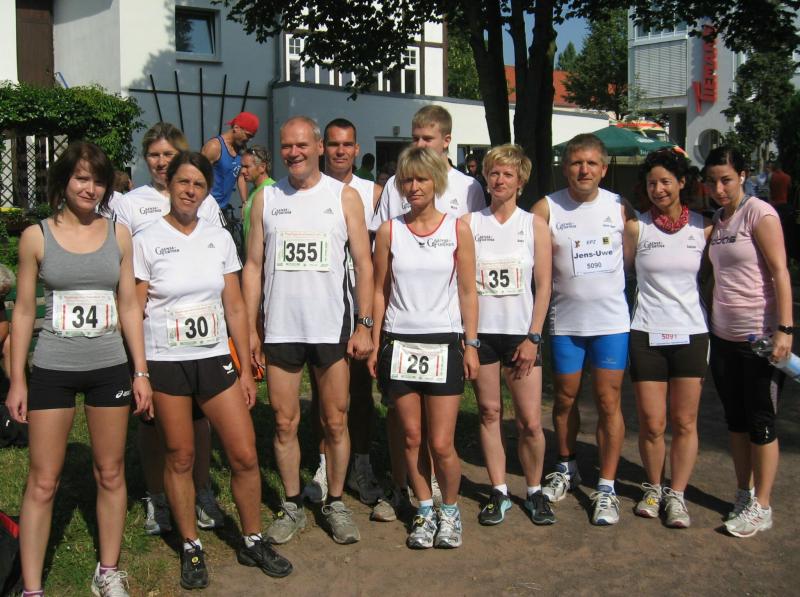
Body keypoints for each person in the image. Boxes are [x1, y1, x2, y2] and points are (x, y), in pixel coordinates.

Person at [133, 151, 292, 589]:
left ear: (207, 192)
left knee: (244, 454)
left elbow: (235, 305)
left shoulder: (218, 237)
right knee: (180, 457)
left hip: (214, 358)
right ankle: (190, 545)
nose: (190, 190)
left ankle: (252, 538)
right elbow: (134, 307)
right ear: (170, 185)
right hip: (167, 361)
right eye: (183, 182)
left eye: (199, 185)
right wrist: (140, 371)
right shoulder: (146, 239)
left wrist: (244, 368)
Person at [6, 141, 153, 597]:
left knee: (110, 472)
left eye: (99, 181)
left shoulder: (119, 235)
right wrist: (17, 380)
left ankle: (107, 571)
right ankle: (32, 588)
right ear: (64, 181)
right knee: (42, 481)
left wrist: (140, 372)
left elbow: (128, 305)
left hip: (109, 368)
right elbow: (24, 311)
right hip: (53, 367)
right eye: (82, 179)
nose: (90, 188)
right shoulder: (36, 237)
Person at [242, 116, 374, 545]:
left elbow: (365, 264)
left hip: (331, 329)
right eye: (286, 146)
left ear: (318, 147)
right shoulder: (267, 198)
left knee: (335, 420)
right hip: (281, 329)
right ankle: (293, 503)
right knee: (284, 422)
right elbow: (253, 267)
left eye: (301, 145)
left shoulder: (344, 197)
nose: (293, 153)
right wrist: (251, 329)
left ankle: (334, 502)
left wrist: (365, 324)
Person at [107, 122, 225, 538]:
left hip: (201, 332)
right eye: (154, 155)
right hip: (153, 329)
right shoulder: (130, 204)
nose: (160, 162)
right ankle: (156, 495)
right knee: (152, 419)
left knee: (200, 418)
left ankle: (202, 490)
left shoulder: (202, 198)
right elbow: (121, 260)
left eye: (168, 154)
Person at [370, 104, 484, 521]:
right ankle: (423, 508)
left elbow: (468, 291)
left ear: (436, 180)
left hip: (444, 342)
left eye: (421, 179)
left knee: (441, 443)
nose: (414, 187)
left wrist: (472, 344)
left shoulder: (458, 228)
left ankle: (449, 512)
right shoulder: (390, 230)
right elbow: (380, 290)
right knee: (411, 437)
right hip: (400, 342)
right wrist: (375, 341)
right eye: (407, 180)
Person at [532, 133, 633, 526]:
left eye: (591, 163)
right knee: (564, 400)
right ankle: (566, 464)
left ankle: (606, 486)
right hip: (566, 323)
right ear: (565, 167)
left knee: (609, 402)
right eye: (576, 162)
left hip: (610, 324)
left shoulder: (620, 207)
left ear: (604, 169)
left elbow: (630, 259)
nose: (584, 170)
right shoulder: (547, 208)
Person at [704, 146, 793, 538]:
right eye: (712, 182)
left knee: (761, 421)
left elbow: (780, 272)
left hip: (760, 338)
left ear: (742, 176)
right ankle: (744, 493)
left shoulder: (760, 213)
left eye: (726, 180)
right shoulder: (719, 220)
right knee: (736, 422)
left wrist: (785, 330)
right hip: (723, 336)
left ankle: (763, 506)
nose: (719, 189)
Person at [623, 149, 712, 528]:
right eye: (651, 183)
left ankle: (677, 494)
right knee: (652, 422)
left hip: (691, 334)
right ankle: (654, 487)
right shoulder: (637, 228)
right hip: (646, 333)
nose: (658, 189)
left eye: (665, 182)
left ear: (682, 183)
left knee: (685, 421)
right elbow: (624, 273)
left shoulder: (704, 228)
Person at [465, 144, 553, 526]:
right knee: (489, 413)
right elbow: (464, 286)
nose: (499, 180)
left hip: (521, 336)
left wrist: (534, 337)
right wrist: (469, 340)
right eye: (493, 173)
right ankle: (498, 490)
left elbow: (544, 285)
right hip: (483, 335)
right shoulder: (469, 223)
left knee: (530, 421)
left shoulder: (533, 225)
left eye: (507, 174)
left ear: (520, 181)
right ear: (485, 178)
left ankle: (534, 491)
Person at [303, 119, 385, 511]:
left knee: (362, 389)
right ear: (322, 147)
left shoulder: (374, 193)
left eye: (347, 144)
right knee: (323, 391)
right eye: (333, 144)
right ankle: (325, 464)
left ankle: (362, 464)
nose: (340, 151)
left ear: (356, 149)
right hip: (323, 305)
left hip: (362, 304)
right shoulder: (309, 190)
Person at [372, 105, 484, 225]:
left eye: (427, 139)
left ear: (446, 141)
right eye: (415, 139)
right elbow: (379, 232)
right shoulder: (394, 184)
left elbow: (477, 232)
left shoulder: (469, 187)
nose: (419, 145)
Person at [201, 111, 258, 210]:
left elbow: (240, 176)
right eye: (248, 135)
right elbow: (197, 175)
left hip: (223, 208)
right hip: (205, 207)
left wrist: (245, 203)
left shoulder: (241, 149)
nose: (249, 140)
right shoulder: (214, 147)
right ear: (236, 128)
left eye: (251, 137)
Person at [240, 144, 275, 252]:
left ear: (262, 167)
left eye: (247, 167)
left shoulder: (272, 191)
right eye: (242, 166)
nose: (242, 171)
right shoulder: (253, 191)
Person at [768, 161, 794, 260]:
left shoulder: (772, 177)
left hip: (774, 205)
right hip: (784, 204)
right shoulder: (787, 177)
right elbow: (790, 189)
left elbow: (770, 189)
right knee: (786, 229)